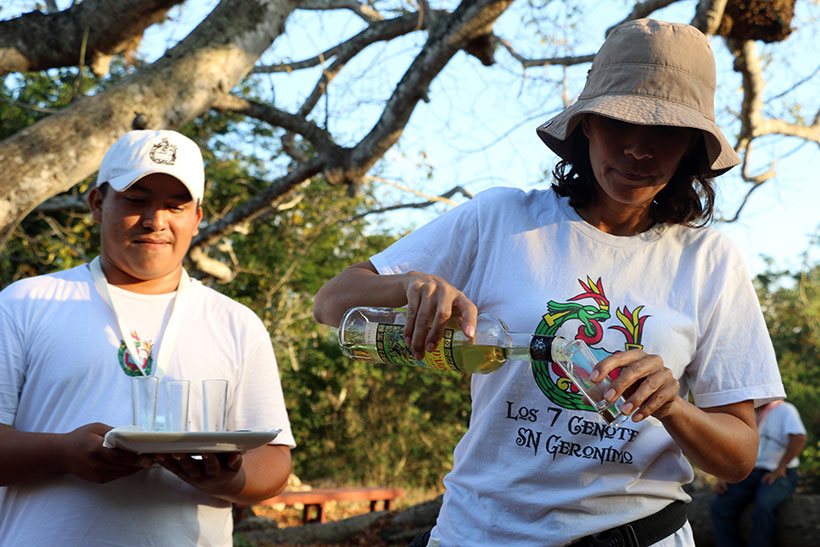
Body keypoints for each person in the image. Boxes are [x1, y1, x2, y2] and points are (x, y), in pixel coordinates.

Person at [313, 19, 786, 547]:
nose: (638, 149)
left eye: (665, 132)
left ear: (692, 148)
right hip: (481, 533)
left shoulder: (708, 260)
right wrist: (410, 286)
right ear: (586, 126)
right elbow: (332, 302)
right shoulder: (502, 220)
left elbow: (740, 456)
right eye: (619, 122)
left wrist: (671, 405)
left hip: (636, 534)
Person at [0, 129, 295, 546]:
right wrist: (61, 453)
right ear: (97, 204)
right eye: (136, 201)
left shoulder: (235, 322)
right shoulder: (25, 303)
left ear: (197, 217)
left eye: (176, 205)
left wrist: (228, 476)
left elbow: (275, 459)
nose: (156, 222)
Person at [711, 401, 807, 546]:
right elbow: (732, 445)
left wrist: (780, 468)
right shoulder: (747, 412)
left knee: (763, 506)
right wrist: (724, 474)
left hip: (780, 472)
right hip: (751, 472)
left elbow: (799, 438)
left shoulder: (785, 410)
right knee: (720, 507)